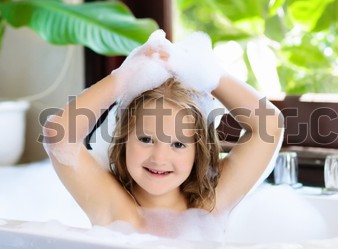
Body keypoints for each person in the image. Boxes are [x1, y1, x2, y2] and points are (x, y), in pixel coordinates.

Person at [43, 30, 284, 232]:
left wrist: (209, 75)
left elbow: (269, 125)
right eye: (146, 139)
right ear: (124, 140)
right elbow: (58, 136)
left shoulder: (209, 205)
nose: (159, 158)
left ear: (198, 151)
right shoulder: (115, 207)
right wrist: (124, 78)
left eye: (178, 144)